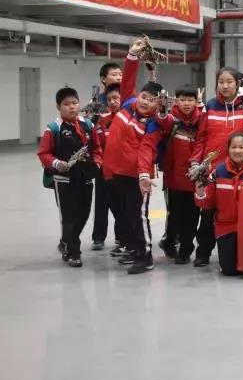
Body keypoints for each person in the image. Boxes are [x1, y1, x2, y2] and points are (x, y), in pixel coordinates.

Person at [104, 42, 164, 275]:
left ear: (158, 104)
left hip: (137, 178)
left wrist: (143, 176)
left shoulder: (153, 124)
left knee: (137, 216)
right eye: (144, 96)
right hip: (114, 173)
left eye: (151, 100)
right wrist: (132, 54)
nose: (145, 101)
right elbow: (128, 79)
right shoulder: (128, 103)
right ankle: (131, 248)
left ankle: (144, 256)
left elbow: (146, 151)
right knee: (124, 215)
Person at [143, 86, 203, 264]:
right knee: (174, 214)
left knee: (192, 215)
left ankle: (185, 250)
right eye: (182, 100)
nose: (186, 103)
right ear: (176, 101)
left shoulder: (202, 119)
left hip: (194, 175)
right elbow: (162, 120)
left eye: (190, 100)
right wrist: (162, 110)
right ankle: (169, 241)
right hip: (174, 176)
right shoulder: (172, 118)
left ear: (196, 102)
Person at [37, 87, 96, 267]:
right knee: (69, 216)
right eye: (66, 104)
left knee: (84, 213)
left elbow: (97, 147)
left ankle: (66, 241)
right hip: (64, 180)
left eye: (74, 103)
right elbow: (43, 153)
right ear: (58, 107)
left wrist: (98, 162)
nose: (71, 107)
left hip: (85, 177)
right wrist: (56, 163)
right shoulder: (53, 128)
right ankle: (73, 252)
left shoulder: (88, 125)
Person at [195, 132, 243, 276]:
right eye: (233, 147)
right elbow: (207, 203)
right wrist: (200, 192)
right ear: (228, 149)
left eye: (241, 147)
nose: (237, 151)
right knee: (229, 270)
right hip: (225, 227)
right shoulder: (218, 172)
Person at [90, 61, 123, 251]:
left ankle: (121, 236)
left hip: (121, 162)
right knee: (101, 200)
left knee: (121, 201)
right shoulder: (97, 102)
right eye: (114, 74)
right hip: (102, 160)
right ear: (103, 79)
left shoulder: (127, 100)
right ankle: (98, 237)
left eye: (120, 74)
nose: (118, 77)